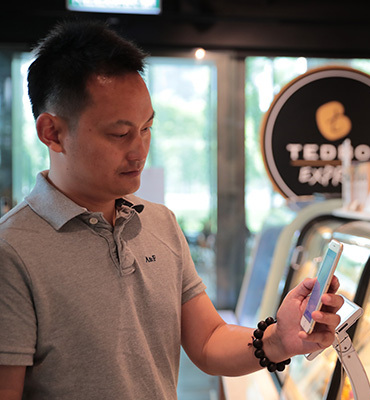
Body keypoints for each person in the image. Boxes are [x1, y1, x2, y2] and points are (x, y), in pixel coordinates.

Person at [0, 20, 343, 399]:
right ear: (52, 133)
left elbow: (208, 340)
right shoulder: (12, 251)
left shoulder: (159, 222)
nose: (139, 150)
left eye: (146, 128)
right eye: (120, 133)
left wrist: (279, 338)